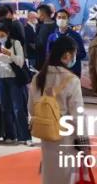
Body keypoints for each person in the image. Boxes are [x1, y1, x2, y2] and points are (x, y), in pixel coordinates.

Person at [31, 36, 85, 184]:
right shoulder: (72, 80)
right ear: (67, 55)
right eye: (74, 54)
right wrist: (83, 139)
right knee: (66, 175)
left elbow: (31, 107)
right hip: (67, 135)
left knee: (49, 173)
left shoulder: (38, 78)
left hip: (46, 134)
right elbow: (78, 114)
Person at [0, 20, 30, 145]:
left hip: (14, 79)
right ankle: (10, 135)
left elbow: (20, 62)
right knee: (5, 108)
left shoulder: (16, 44)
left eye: (2, 35)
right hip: (0, 79)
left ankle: (25, 137)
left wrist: (10, 54)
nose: (0, 37)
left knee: (18, 108)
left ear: (7, 34)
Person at [45, 9, 85, 77]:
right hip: (57, 72)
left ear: (68, 20)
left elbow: (83, 53)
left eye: (64, 17)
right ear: (56, 19)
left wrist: (71, 56)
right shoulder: (52, 37)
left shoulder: (75, 36)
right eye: (59, 17)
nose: (61, 19)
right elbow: (48, 54)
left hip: (73, 71)